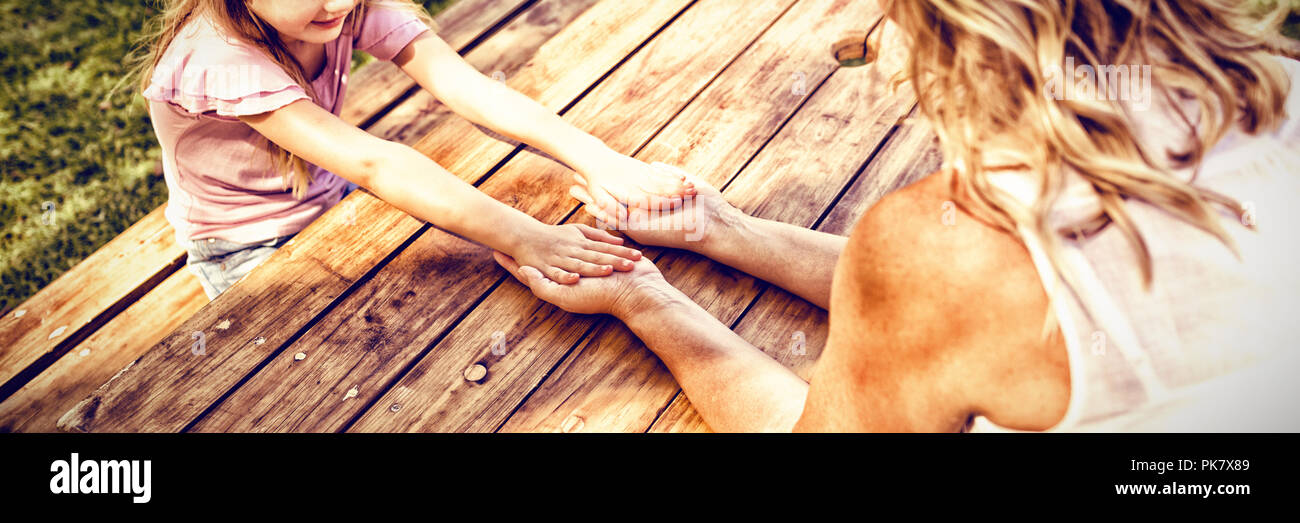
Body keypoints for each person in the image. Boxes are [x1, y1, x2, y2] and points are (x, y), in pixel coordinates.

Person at [495, 0, 1300, 432]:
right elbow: (965, 313)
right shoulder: (1281, 84)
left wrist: (647, 295)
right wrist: (723, 229)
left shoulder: (948, 249)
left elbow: (956, 296)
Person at [129, 0, 694, 300]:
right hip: (245, 246)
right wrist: (529, 237)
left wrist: (596, 158)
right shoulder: (217, 57)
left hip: (332, 192)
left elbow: (466, 88)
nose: (341, 3)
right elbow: (378, 162)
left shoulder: (337, 7)